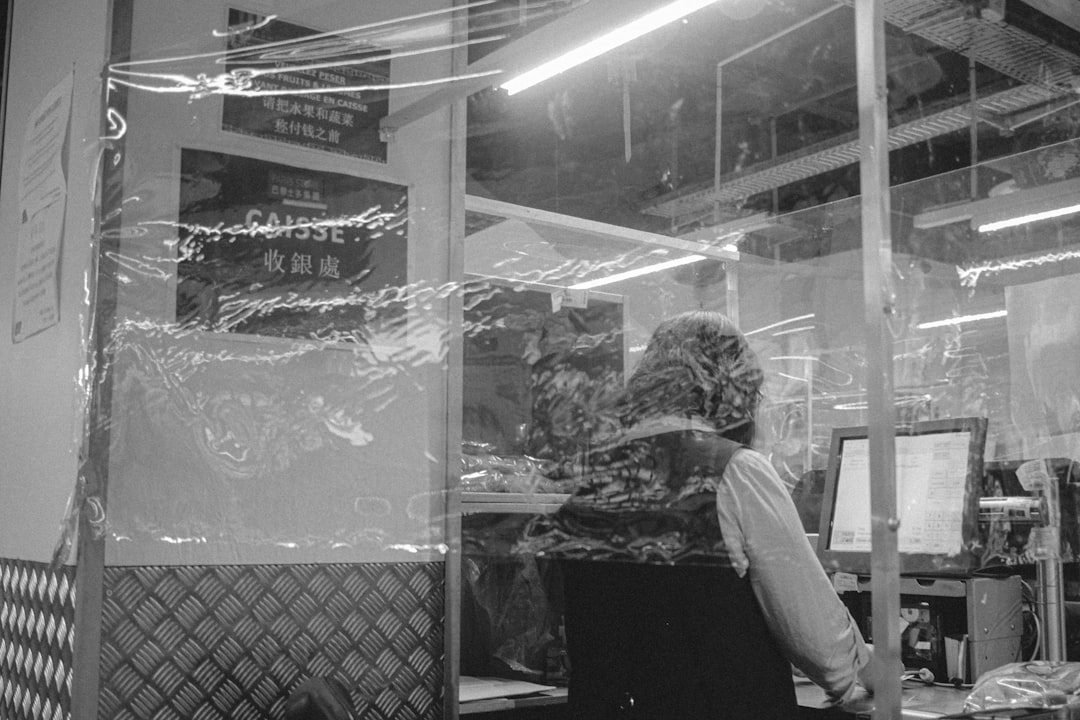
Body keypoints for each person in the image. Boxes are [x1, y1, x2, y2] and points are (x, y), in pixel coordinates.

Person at [522, 310, 872, 719]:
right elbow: (818, 640)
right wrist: (867, 668)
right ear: (733, 387)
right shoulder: (735, 470)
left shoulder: (593, 478)